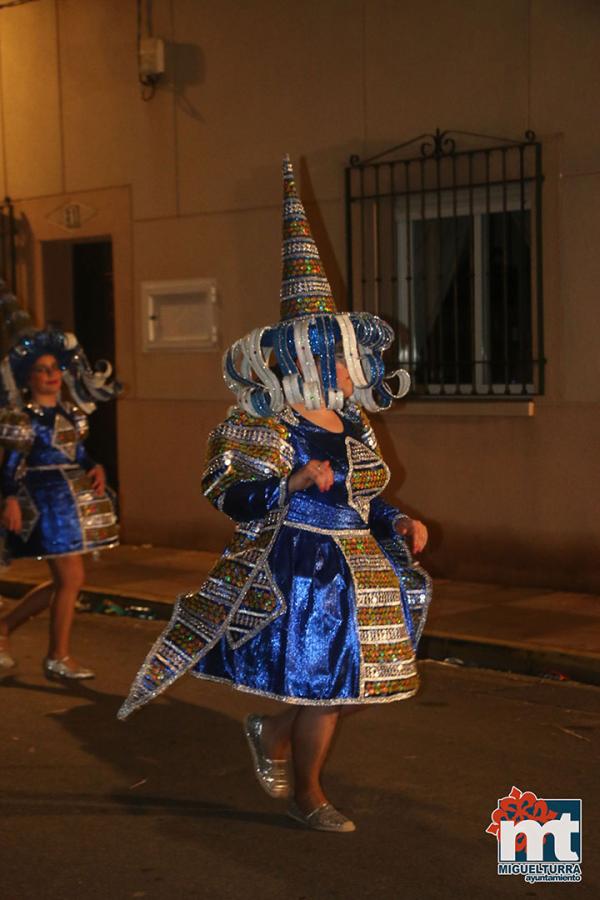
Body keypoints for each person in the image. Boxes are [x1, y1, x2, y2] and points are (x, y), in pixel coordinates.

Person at [118, 156, 432, 833]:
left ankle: (273, 730)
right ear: (312, 359)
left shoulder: (354, 423)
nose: (360, 368)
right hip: (302, 573)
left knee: (348, 691)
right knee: (327, 691)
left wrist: (399, 522)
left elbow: (368, 499)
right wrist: (290, 481)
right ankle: (308, 794)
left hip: (357, 571)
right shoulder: (270, 422)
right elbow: (231, 494)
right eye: (348, 356)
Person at [0, 312, 120, 681]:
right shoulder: (24, 419)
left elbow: (78, 456)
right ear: (28, 378)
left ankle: (6, 628)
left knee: (68, 581)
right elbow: (11, 465)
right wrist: (9, 500)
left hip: (72, 504)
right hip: (45, 502)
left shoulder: (70, 414)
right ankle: (57, 655)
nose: (51, 375)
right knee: (71, 579)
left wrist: (95, 467)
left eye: (55, 369)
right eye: (42, 370)